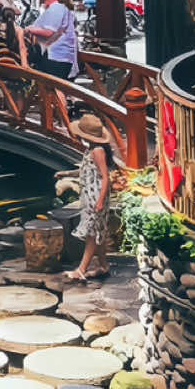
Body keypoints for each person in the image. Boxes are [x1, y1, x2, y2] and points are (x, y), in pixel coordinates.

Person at [68, 115, 113, 283]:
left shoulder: (97, 151)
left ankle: (81, 269)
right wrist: (66, 174)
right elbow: (88, 171)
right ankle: (103, 265)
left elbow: (105, 177)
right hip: (90, 195)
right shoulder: (92, 149)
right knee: (97, 231)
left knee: (91, 234)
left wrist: (100, 201)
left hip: (95, 197)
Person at [27, 0, 79, 80]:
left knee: (54, 88)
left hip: (56, 55)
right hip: (61, 55)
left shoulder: (56, 8)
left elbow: (49, 32)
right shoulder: (59, 8)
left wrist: (29, 29)